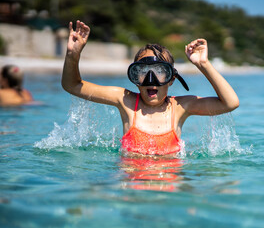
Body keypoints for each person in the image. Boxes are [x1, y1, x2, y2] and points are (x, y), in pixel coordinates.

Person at [62, 20, 239, 156]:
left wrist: (203, 64)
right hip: (132, 189)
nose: (151, 80)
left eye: (160, 72)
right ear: (134, 77)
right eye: (143, 72)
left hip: (169, 188)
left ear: (171, 79)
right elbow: (72, 85)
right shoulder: (125, 100)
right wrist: (73, 54)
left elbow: (230, 103)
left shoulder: (180, 107)